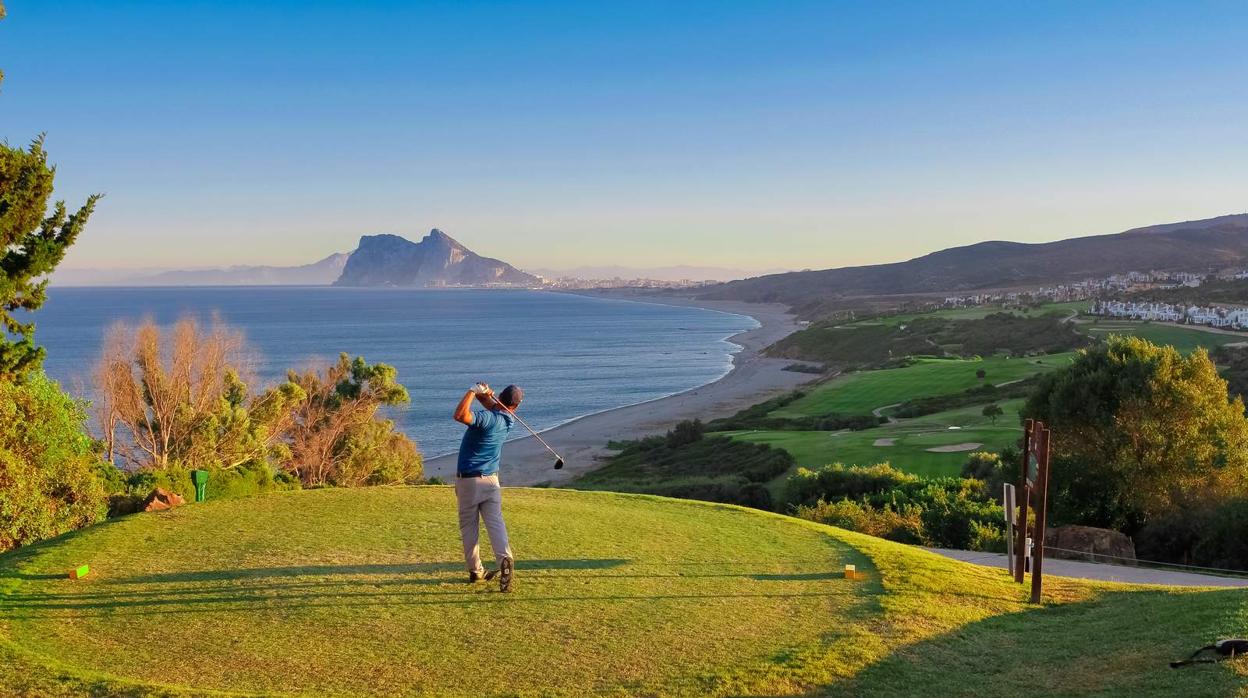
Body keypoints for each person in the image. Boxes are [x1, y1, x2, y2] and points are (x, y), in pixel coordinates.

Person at [452, 382, 521, 592]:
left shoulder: (486, 419)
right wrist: (485, 394)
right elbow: (494, 406)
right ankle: (504, 559)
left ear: (500, 398)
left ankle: (476, 571)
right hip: (492, 481)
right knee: (496, 524)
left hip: (469, 482)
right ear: (516, 406)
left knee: (469, 526)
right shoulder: (509, 420)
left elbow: (460, 415)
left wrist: (472, 391)